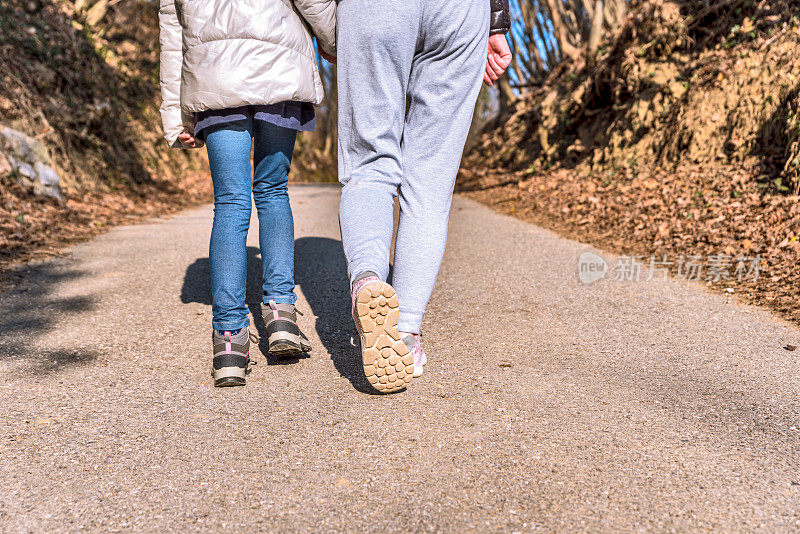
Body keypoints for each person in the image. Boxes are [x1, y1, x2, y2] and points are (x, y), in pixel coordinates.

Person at [158, 0, 336, 387]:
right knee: (272, 190)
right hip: (278, 69)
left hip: (215, 75)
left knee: (231, 203)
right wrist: (336, 41)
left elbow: (173, 37)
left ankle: (228, 342)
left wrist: (175, 114)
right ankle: (280, 315)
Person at [337, 0, 512, 393]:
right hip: (461, 11)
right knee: (430, 182)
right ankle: (406, 333)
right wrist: (496, 22)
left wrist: (331, 26)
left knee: (369, 165)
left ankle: (366, 281)